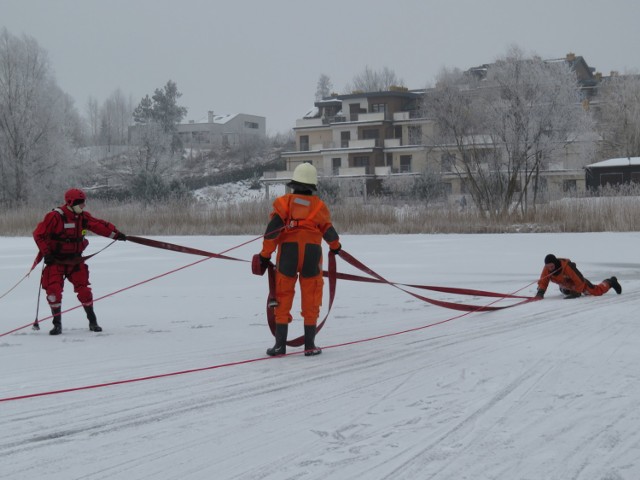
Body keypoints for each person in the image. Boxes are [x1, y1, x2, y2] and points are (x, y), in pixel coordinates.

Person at [257, 163, 341, 357]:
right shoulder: (319, 207)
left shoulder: (284, 203)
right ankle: (310, 345)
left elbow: (271, 233)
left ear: (293, 184)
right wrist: (336, 247)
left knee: (283, 296)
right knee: (311, 298)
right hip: (312, 258)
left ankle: (279, 346)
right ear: (312, 186)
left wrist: (264, 256)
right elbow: (329, 232)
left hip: (287, 256)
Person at [33, 188, 127, 335]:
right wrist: (47, 253)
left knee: (84, 291)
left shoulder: (83, 217)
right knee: (53, 292)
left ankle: (93, 321)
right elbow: (38, 235)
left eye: (83, 203)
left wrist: (116, 234)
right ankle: (57, 325)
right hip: (56, 261)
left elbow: (99, 226)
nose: (83, 206)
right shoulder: (54, 217)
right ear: (70, 202)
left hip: (75, 261)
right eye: (80, 203)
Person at [535, 254, 621, 299]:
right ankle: (566, 290)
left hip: (579, 283)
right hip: (565, 284)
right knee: (566, 291)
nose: (550, 269)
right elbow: (543, 281)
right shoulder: (547, 269)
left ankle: (610, 282)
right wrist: (540, 293)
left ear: (556, 263)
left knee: (595, 292)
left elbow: (579, 280)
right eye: (548, 267)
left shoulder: (567, 266)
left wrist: (576, 292)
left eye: (551, 266)